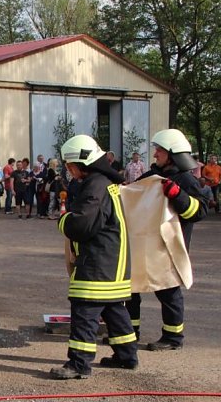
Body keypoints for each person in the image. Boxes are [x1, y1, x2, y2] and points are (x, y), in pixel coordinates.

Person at [50, 134, 137, 380]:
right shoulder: (106, 181)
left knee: (85, 310)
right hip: (114, 260)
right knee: (114, 310)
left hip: (99, 261)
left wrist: (63, 219)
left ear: (81, 163)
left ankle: (79, 364)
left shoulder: (95, 185)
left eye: (69, 166)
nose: (68, 170)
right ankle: (127, 356)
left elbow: (82, 225)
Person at [126, 129, 207, 351]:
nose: (155, 155)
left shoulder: (186, 180)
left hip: (169, 247)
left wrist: (178, 195)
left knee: (168, 291)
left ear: (172, 154)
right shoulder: (151, 177)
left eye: (159, 151)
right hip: (145, 245)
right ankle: (129, 333)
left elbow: (199, 211)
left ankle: (173, 337)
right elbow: (131, 194)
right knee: (131, 287)